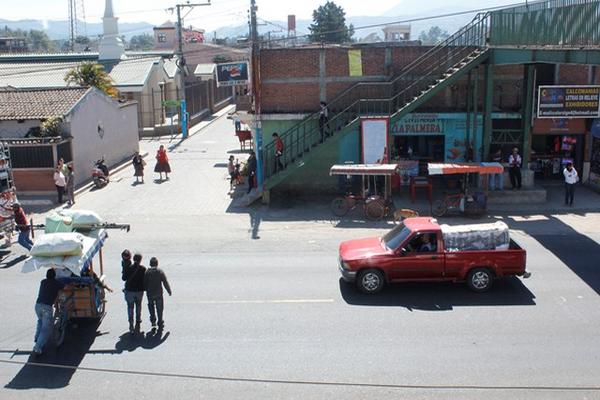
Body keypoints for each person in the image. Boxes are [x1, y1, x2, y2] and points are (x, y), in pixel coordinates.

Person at [33, 268, 65, 355]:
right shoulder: (56, 283)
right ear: (54, 276)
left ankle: (37, 337)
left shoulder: (43, 282)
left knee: (40, 321)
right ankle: (38, 347)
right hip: (46, 308)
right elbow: (64, 287)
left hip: (37, 306)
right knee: (46, 329)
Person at [143, 257, 172, 329]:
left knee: (151, 306)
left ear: (150, 264)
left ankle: (153, 321)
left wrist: (145, 290)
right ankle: (160, 321)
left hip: (150, 294)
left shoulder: (147, 272)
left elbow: (144, 283)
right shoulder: (160, 272)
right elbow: (165, 282)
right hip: (158, 293)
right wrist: (169, 290)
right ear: (157, 264)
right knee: (160, 308)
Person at [122, 253, 146, 333]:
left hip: (129, 290)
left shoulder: (129, 268)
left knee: (130, 306)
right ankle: (138, 319)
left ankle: (131, 323)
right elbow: (144, 280)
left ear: (133, 259)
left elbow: (124, 278)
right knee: (138, 305)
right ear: (140, 260)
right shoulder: (143, 269)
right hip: (139, 291)